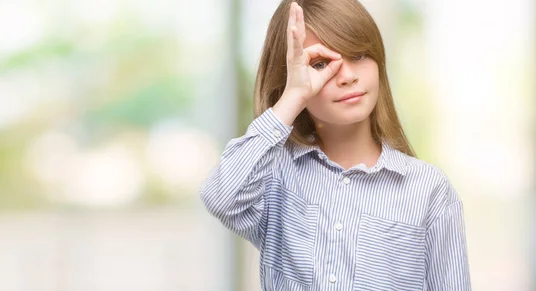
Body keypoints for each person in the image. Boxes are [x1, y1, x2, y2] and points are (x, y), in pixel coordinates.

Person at [200, 0, 471, 290]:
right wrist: (293, 97)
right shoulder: (275, 176)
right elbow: (221, 197)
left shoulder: (429, 190)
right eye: (320, 64)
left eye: (359, 55)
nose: (348, 76)